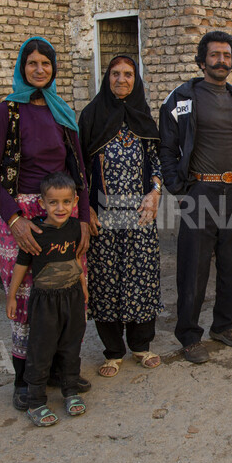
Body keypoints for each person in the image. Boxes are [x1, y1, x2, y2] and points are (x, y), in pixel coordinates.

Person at [0, 36, 91, 411]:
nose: (40, 69)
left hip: (61, 212)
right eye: (32, 63)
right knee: (29, 299)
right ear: (22, 68)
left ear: (54, 68)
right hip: (21, 215)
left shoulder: (62, 111)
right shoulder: (9, 110)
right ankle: (25, 379)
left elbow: (79, 172)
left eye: (46, 63)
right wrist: (15, 219)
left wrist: (84, 219)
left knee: (65, 291)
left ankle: (63, 372)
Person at [159, 31, 232, 364]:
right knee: (194, 268)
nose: (221, 60)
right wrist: (178, 187)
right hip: (199, 193)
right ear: (202, 59)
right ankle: (189, 337)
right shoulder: (180, 99)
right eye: (214, 55)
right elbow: (166, 147)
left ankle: (225, 326)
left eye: (226, 55)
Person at [77, 55, 164, 378]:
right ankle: (113, 351)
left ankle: (141, 346)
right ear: (106, 78)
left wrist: (155, 192)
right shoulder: (91, 117)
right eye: (115, 74)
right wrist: (85, 209)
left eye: (128, 74)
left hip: (140, 215)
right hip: (103, 216)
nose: (121, 80)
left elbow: (156, 162)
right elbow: (79, 168)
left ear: (136, 79)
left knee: (141, 278)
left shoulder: (143, 117)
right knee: (106, 282)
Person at [6, 172, 88, 426]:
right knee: (41, 348)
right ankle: (36, 401)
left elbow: (76, 260)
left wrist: (84, 288)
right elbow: (21, 265)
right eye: (53, 202)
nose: (60, 208)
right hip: (45, 300)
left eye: (65, 202)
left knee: (70, 345)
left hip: (72, 296)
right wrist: (11, 297)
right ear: (42, 203)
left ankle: (70, 391)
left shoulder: (75, 228)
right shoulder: (36, 231)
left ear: (75, 201)